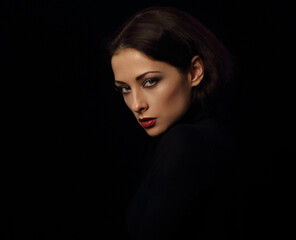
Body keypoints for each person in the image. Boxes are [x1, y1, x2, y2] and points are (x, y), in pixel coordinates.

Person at [108, 6, 242, 240]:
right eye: (125, 89)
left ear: (194, 72)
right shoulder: (214, 137)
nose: (136, 104)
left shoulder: (185, 143)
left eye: (150, 82)